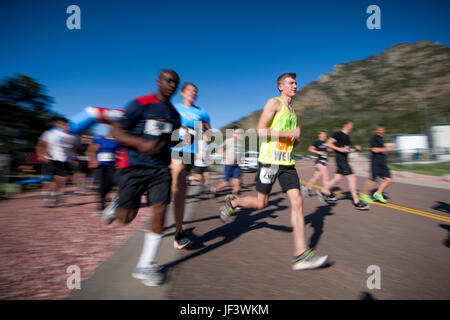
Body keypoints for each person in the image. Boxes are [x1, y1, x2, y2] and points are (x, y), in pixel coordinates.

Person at [220, 73, 328, 270]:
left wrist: (296, 139)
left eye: (296, 82)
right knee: (262, 203)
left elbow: (293, 141)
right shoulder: (274, 103)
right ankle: (233, 201)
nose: (295, 85)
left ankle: (300, 254)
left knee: (297, 201)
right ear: (281, 86)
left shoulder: (293, 112)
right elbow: (260, 130)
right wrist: (288, 134)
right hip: (269, 162)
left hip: (287, 163)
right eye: (291, 82)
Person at [101, 70, 183, 286]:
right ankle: (118, 201)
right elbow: (116, 130)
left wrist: (183, 140)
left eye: (175, 82)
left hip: (159, 170)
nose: (172, 85)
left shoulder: (175, 114)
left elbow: (171, 141)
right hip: (133, 167)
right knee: (125, 218)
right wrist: (140, 144)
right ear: (158, 81)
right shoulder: (140, 103)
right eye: (168, 80)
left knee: (160, 210)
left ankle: (144, 266)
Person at [170, 82, 211, 249]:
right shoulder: (174, 107)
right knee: (176, 181)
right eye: (190, 91)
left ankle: (179, 232)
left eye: (195, 91)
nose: (193, 93)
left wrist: (204, 135)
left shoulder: (201, 112)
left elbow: (208, 131)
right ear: (182, 92)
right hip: (174, 148)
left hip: (190, 153)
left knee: (181, 191)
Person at [325, 120, 369, 210]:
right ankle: (357, 202)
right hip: (341, 161)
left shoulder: (347, 137)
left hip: (344, 160)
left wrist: (355, 149)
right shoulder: (338, 134)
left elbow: (347, 150)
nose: (352, 127)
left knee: (337, 179)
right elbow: (327, 143)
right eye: (351, 125)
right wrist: (338, 148)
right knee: (352, 177)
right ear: (347, 125)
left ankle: (324, 191)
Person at [35, 117, 76, 207]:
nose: (64, 126)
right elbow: (40, 145)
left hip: (64, 160)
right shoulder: (49, 134)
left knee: (61, 180)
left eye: (65, 125)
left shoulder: (71, 137)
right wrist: (40, 154)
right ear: (57, 125)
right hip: (51, 159)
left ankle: (54, 196)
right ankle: (51, 198)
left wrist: (72, 159)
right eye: (61, 124)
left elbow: (71, 150)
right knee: (55, 179)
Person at [86, 128, 119, 214]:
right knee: (102, 184)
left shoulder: (118, 141)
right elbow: (90, 151)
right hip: (100, 166)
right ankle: (102, 203)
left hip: (112, 166)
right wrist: (93, 161)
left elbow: (120, 152)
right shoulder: (100, 139)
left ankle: (107, 199)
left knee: (110, 184)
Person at [360, 124, 395, 204]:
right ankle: (364, 195)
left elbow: (382, 149)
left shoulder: (381, 139)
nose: (380, 131)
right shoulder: (374, 138)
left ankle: (378, 193)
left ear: (384, 130)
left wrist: (387, 148)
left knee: (389, 179)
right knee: (372, 179)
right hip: (376, 162)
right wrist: (386, 148)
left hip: (383, 163)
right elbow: (374, 150)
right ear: (376, 130)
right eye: (379, 129)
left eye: (382, 129)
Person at [301, 130, 337, 203]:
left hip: (322, 162)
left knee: (316, 177)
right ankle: (327, 194)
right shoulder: (317, 142)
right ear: (319, 135)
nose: (325, 135)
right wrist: (318, 152)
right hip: (320, 162)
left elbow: (329, 150)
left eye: (325, 134)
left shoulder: (325, 143)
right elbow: (310, 149)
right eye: (323, 134)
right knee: (326, 178)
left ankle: (307, 188)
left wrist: (331, 147)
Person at [210, 126, 244, 198]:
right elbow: (219, 150)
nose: (240, 134)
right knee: (226, 183)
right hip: (227, 164)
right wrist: (226, 157)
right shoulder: (229, 141)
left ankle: (234, 202)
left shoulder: (241, 143)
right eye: (237, 133)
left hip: (236, 165)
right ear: (233, 134)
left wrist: (242, 157)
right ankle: (214, 189)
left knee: (237, 183)